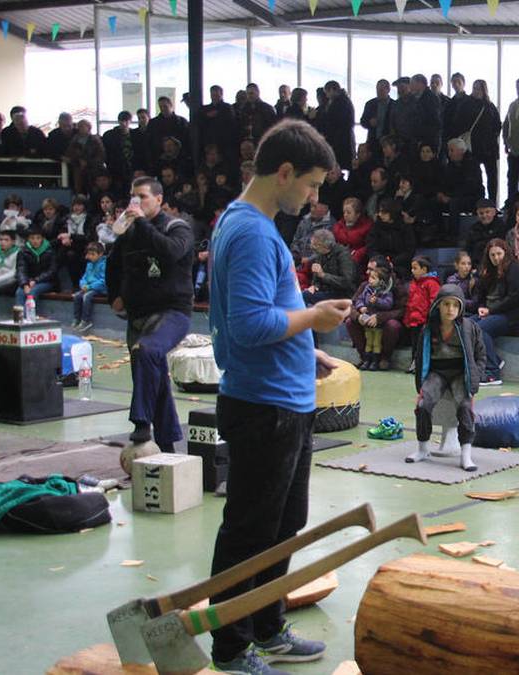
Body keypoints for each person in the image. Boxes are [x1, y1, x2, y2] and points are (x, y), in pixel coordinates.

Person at [207, 119, 348, 674]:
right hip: (263, 405)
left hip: (284, 397)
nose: (313, 198)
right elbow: (246, 324)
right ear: (284, 172)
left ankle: (266, 625)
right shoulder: (250, 232)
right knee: (250, 530)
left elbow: (264, 314)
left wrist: (306, 344)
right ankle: (230, 645)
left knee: (282, 524)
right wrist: (311, 317)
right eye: (311, 185)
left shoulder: (249, 223)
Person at [106, 176, 194, 453]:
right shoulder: (130, 232)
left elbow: (170, 253)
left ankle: (141, 421)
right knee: (151, 371)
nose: (136, 202)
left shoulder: (177, 227)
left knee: (147, 351)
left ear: (159, 199)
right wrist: (114, 297)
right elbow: (113, 263)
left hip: (172, 311)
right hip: (138, 312)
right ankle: (167, 444)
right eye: (133, 197)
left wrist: (141, 222)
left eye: (142, 197)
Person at [405, 284, 487, 471]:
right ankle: (423, 448)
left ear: (461, 308)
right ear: (438, 306)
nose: (451, 309)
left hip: (460, 373)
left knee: (465, 408)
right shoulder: (428, 329)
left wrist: (475, 377)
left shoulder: (470, 328)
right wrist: (421, 386)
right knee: (423, 406)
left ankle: (466, 454)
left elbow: (481, 356)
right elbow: (419, 357)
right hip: (437, 373)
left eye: (455, 305)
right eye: (446, 304)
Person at [472, 238, 519, 385]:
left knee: (481, 329)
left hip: (515, 314)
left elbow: (515, 297)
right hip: (493, 312)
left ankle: (492, 373)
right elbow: (481, 294)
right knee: (468, 325)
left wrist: (491, 311)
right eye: (492, 255)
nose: (496, 258)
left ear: (505, 253)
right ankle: (495, 359)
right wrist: (482, 307)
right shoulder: (488, 270)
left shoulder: (514, 269)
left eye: (499, 254)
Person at [349, 261, 397, 370]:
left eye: (373, 276)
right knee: (368, 340)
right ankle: (366, 359)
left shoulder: (387, 290)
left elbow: (390, 305)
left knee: (376, 342)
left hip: (380, 323)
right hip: (367, 320)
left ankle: (379, 360)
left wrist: (377, 304)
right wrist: (360, 310)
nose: (369, 278)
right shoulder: (366, 288)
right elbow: (357, 300)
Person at [301, 229, 355, 307]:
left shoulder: (343, 255)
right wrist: (315, 286)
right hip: (325, 290)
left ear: (325, 246)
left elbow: (346, 282)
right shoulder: (320, 254)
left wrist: (323, 275)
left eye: (316, 245)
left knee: (305, 297)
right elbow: (316, 277)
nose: (312, 247)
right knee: (303, 294)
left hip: (341, 294)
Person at [469, 79, 503, 204]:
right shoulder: (467, 104)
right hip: (473, 147)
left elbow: (498, 124)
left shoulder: (489, 105)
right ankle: (478, 202)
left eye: (479, 88)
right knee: (475, 178)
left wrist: (492, 136)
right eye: (475, 88)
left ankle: (492, 203)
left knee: (492, 177)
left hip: (489, 148)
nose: (477, 91)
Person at [15, 226, 57, 307]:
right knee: (20, 292)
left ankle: (30, 316)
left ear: (42, 239)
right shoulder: (23, 252)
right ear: (28, 239)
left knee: (33, 291)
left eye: (38, 238)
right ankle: (19, 317)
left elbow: (52, 271)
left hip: (46, 281)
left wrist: (36, 280)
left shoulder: (50, 251)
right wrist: (25, 284)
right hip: (28, 281)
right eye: (32, 238)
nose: (35, 241)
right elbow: (21, 269)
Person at [71, 241, 107, 332]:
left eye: (93, 254)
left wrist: (90, 286)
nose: (90, 256)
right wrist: (83, 284)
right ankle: (76, 319)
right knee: (77, 296)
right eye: (89, 254)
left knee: (86, 296)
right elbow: (84, 277)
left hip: (100, 289)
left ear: (100, 254)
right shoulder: (89, 265)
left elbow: (103, 280)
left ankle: (86, 320)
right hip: (88, 287)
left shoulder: (104, 264)